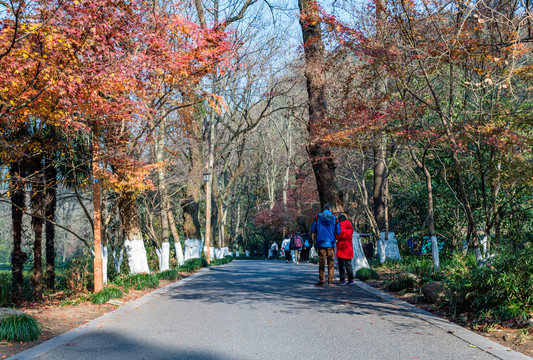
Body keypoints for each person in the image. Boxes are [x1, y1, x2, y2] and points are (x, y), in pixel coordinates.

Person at [311, 203, 341, 286]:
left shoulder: (318, 217)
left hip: (320, 242)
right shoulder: (335, 219)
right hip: (331, 243)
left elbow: (313, 229)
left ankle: (322, 280)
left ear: (323, 209)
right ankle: (330, 280)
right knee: (331, 262)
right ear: (331, 210)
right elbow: (338, 231)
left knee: (321, 262)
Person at [336, 214, 354, 285]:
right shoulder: (350, 227)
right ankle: (351, 280)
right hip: (349, 247)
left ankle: (342, 280)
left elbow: (337, 236)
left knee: (341, 265)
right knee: (348, 264)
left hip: (342, 247)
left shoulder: (340, 227)